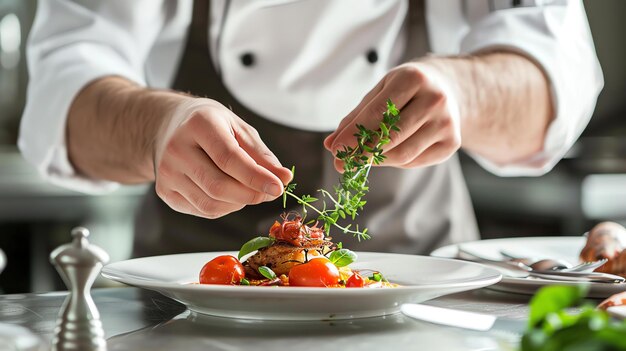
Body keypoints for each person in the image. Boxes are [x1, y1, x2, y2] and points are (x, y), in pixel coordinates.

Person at [19, 0, 602, 257]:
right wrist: (156, 126)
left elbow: (561, 77)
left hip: (424, 304)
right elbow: (61, 87)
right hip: (192, 309)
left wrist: (468, 92)